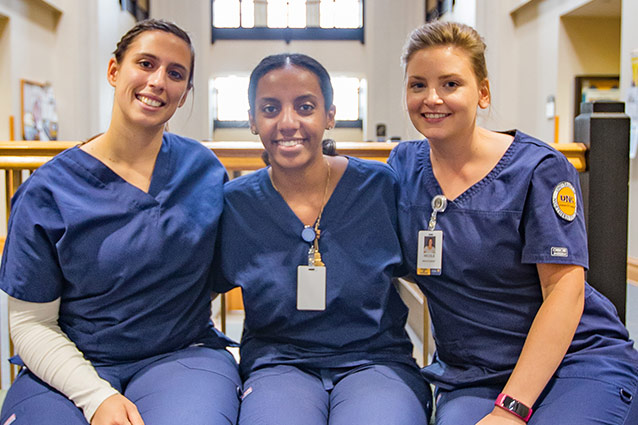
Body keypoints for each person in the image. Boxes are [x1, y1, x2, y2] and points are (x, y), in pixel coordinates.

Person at [388, 20, 638, 425]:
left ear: (482, 92)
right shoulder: (403, 166)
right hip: (475, 373)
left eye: (450, 84)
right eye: (418, 85)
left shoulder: (540, 169)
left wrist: (512, 408)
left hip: (574, 363)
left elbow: (565, 291)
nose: (432, 98)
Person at [0, 19, 240, 425]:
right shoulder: (48, 191)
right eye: (145, 63)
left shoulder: (203, 171)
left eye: (176, 73)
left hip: (183, 354)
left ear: (184, 96)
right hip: (71, 360)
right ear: (114, 71)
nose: (158, 81)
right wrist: (95, 397)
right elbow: (29, 323)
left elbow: (236, 260)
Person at [214, 53, 432, 425]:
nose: (287, 122)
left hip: (375, 361)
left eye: (305, 106)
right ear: (252, 119)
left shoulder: (379, 187)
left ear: (329, 115)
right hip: (278, 365)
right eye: (270, 108)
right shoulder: (236, 203)